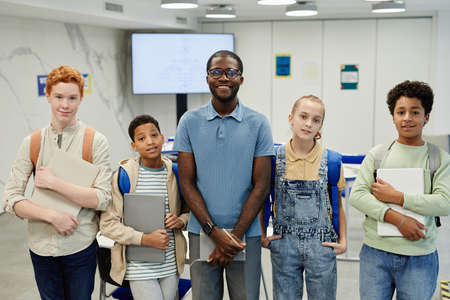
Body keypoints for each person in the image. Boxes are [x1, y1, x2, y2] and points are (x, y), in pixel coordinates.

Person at [3, 65, 112, 300]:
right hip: (40, 247)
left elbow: (103, 198)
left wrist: (54, 183)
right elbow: (11, 198)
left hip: (80, 245)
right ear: (48, 96)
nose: (65, 105)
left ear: (81, 98)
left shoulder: (95, 141)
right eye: (59, 97)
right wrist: (53, 216)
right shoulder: (31, 142)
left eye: (72, 98)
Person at [173, 50, 273, 300]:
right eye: (216, 72)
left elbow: (261, 186)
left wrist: (234, 237)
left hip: (245, 235)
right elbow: (186, 182)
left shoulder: (259, 123)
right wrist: (214, 232)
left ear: (241, 79)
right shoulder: (189, 121)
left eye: (231, 72)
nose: (223, 78)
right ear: (207, 78)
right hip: (202, 232)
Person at [350, 80, 450, 300]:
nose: (407, 118)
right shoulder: (378, 154)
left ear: (427, 117)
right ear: (393, 117)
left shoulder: (439, 158)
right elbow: (357, 195)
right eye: (400, 112)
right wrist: (398, 219)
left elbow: (445, 203)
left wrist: (398, 197)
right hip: (376, 254)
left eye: (415, 112)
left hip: (419, 256)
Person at [261, 95, 347, 300]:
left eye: (316, 120)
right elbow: (263, 200)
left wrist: (343, 241)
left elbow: (338, 206)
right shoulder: (273, 160)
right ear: (291, 118)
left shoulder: (332, 161)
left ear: (321, 127)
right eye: (303, 116)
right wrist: (263, 235)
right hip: (284, 246)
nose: (309, 123)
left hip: (322, 246)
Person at [100, 114, 189, 300]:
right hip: (138, 264)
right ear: (133, 145)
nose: (150, 142)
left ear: (162, 138)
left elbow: (189, 211)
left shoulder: (175, 173)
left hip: (170, 262)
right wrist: (145, 239)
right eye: (141, 138)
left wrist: (181, 220)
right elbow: (108, 224)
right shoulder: (123, 176)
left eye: (154, 135)